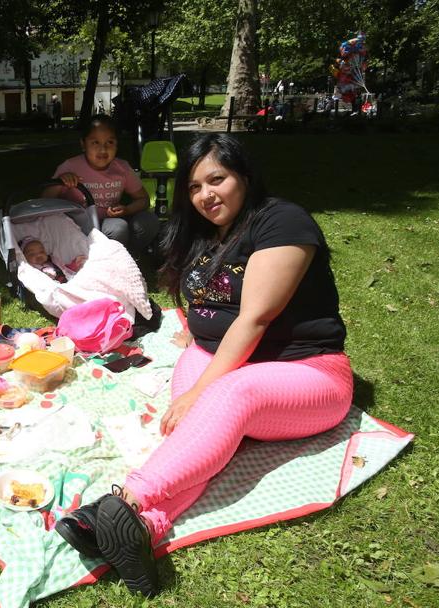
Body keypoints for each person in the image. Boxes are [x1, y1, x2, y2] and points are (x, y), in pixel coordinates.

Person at [54, 133, 353, 596]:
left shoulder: (281, 221)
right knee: (195, 435)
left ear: (244, 177)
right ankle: (140, 526)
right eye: (194, 187)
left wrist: (200, 391)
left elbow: (255, 318)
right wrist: (196, 343)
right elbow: (211, 307)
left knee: (223, 398)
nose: (205, 195)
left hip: (310, 373)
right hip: (223, 359)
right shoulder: (206, 235)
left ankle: (124, 501)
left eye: (217, 180)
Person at [42, 114, 161, 255]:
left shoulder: (122, 167)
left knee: (149, 221)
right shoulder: (70, 166)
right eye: (95, 143)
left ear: (117, 144)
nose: (103, 149)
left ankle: (128, 256)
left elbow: (144, 200)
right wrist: (60, 182)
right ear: (83, 144)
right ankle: (105, 259)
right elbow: (44, 201)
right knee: (118, 228)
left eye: (110, 142)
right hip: (78, 225)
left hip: (110, 221)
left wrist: (127, 210)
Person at [18, 236, 86, 284]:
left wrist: (74, 264)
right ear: (24, 257)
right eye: (32, 254)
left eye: (41, 252)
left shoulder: (53, 262)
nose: (39, 255)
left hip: (65, 283)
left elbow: (64, 270)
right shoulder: (29, 268)